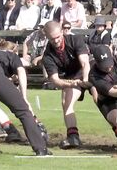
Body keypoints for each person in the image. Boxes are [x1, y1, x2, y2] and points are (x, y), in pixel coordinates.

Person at [0, 40, 51, 155]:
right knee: (23, 110)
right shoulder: (13, 56)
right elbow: (21, 72)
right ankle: (41, 148)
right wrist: (24, 97)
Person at [42, 21, 91, 149]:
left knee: (100, 98)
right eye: (52, 39)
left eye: (58, 37)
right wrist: (70, 83)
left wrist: (85, 79)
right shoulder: (47, 55)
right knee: (66, 102)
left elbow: (85, 63)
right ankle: (73, 137)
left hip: (89, 73)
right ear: (46, 36)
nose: (56, 41)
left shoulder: (75, 39)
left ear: (62, 32)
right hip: (70, 78)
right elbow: (55, 80)